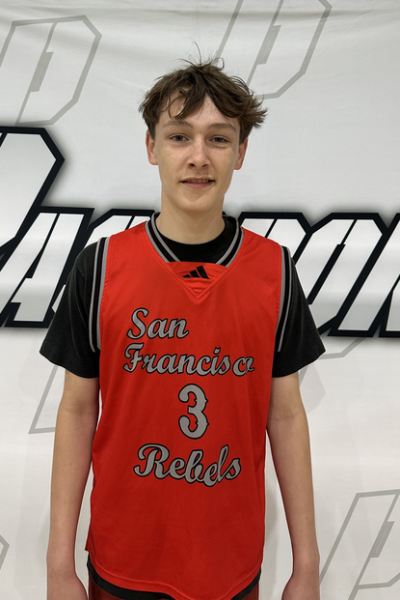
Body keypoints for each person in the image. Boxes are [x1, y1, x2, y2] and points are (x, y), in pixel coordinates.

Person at [41, 59, 324, 600]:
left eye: (218, 138)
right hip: (123, 561)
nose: (199, 156)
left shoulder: (274, 270)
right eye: (179, 136)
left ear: (241, 152)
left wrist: (306, 564)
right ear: (152, 147)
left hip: (230, 566)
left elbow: (286, 414)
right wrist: (58, 565)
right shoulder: (100, 268)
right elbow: (77, 410)